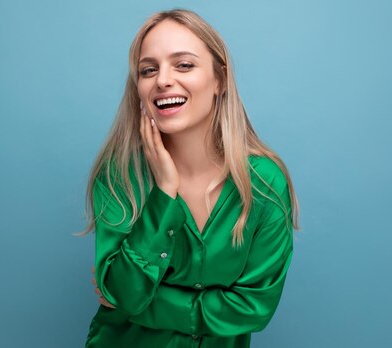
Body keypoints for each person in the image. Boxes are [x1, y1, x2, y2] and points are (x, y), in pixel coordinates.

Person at [78, 8, 300, 348]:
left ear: (220, 80)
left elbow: (254, 308)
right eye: (148, 69)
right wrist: (164, 193)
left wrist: (147, 304)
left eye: (184, 65)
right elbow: (125, 292)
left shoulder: (266, 184)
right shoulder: (120, 176)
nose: (163, 80)